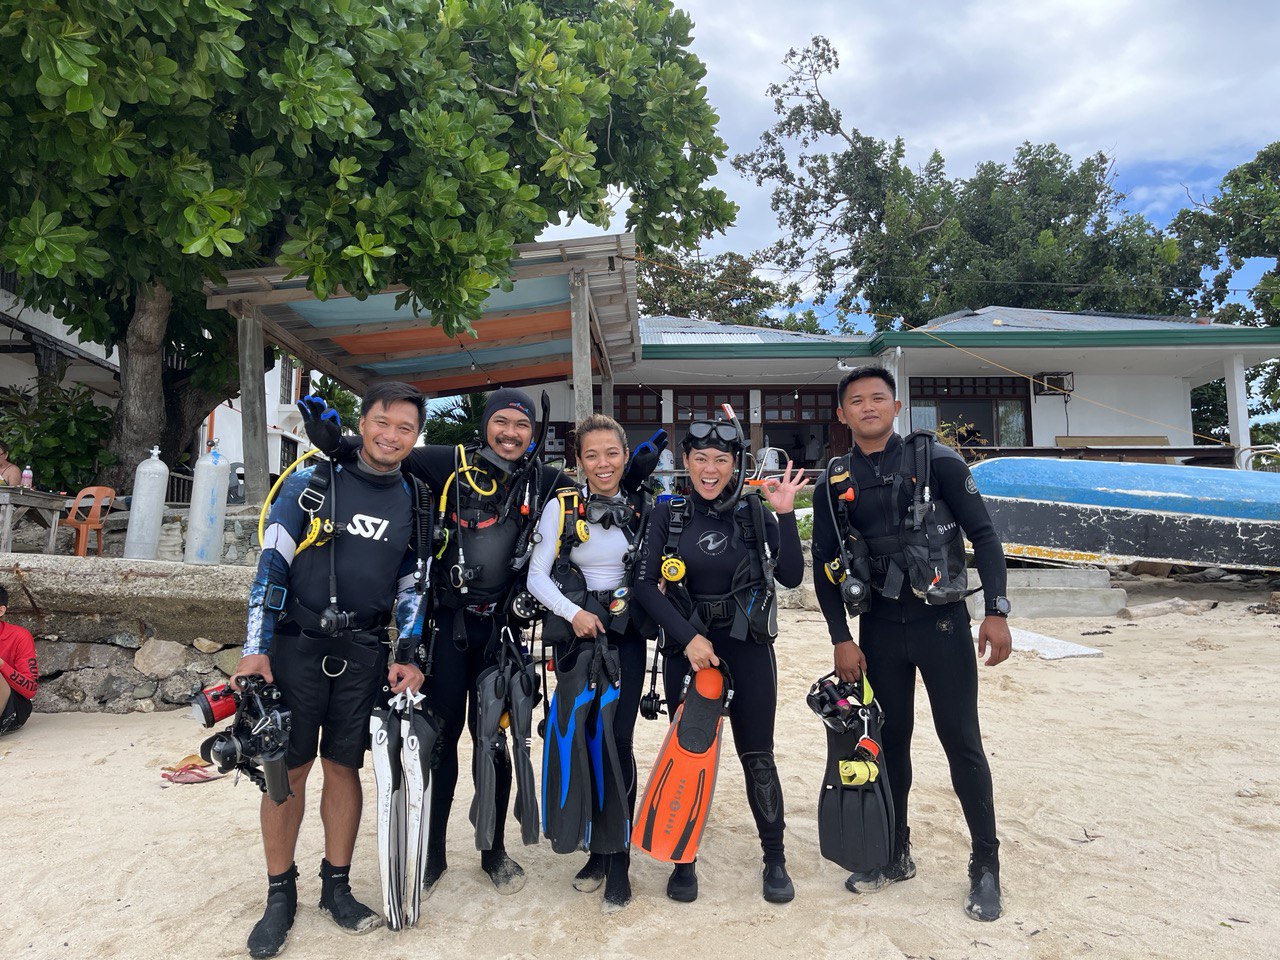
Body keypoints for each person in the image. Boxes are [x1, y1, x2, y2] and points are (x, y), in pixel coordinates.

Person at [304, 387, 569, 895]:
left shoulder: (544, 478)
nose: (511, 434)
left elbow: (600, 487)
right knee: (439, 744)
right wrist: (333, 445)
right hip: (447, 628)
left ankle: (493, 851)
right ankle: (435, 854)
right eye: (502, 422)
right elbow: (384, 454)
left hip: (502, 635)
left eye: (522, 426)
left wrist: (640, 478)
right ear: (486, 424)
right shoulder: (446, 463)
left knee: (495, 746)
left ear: (533, 433)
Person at [232, 382, 430, 959]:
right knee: (285, 772)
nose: (391, 436)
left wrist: (408, 653)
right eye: (382, 422)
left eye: (405, 428)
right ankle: (279, 894)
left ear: (416, 437)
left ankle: (336, 887)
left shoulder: (416, 498)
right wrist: (256, 646)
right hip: (294, 645)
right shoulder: (312, 479)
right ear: (362, 423)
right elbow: (271, 565)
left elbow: (413, 584)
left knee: (344, 769)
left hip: (363, 650)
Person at [811, 364, 1012, 922]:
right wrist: (840, 639)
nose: (868, 407)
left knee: (960, 741)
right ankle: (893, 851)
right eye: (857, 401)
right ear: (842, 414)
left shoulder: (938, 460)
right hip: (878, 629)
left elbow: (986, 536)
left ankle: (985, 864)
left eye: (879, 398)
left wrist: (995, 611)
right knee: (887, 743)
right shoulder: (834, 480)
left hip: (941, 624)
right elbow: (824, 563)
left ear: (896, 407)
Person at [634, 410, 808, 904]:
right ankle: (683, 858)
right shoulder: (668, 513)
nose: (710, 469)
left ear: (736, 464)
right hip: (688, 652)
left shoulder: (755, 512)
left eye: (721, 460)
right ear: (685, 460)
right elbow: (645, 586)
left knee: (758, 757)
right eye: (700, 458)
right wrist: (687, 638)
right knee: (690, 755)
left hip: (747, 646)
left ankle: (774, 857)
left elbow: (792, 576)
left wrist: (787, 514)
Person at [526, 414, 653, 912]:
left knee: (617, 740)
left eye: (612, 453)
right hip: (576, 634)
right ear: (578, 460)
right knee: (582, 739)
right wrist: (573, 612)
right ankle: (595, 851)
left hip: (626, 635)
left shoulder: (644, 506)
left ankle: (617, 857)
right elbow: (538, 576)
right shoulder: (561, 507)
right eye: (592, 455)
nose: (603, 464)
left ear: (625, 455)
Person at [0, 584, 38, 736]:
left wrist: (1, 664)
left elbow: (30, 690)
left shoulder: (19, 636)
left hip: (13, 708)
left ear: (1, 610)